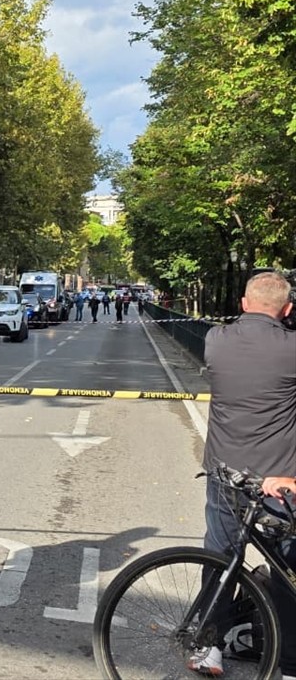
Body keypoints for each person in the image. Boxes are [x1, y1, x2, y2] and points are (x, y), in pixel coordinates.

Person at [188, 271, 296, 678]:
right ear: (286, 310)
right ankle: (289, 666)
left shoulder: (217, 340)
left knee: (220, 560)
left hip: (225, 474)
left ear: (244, 303)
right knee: (288, 572)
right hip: (279, 480)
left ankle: (210, 648)